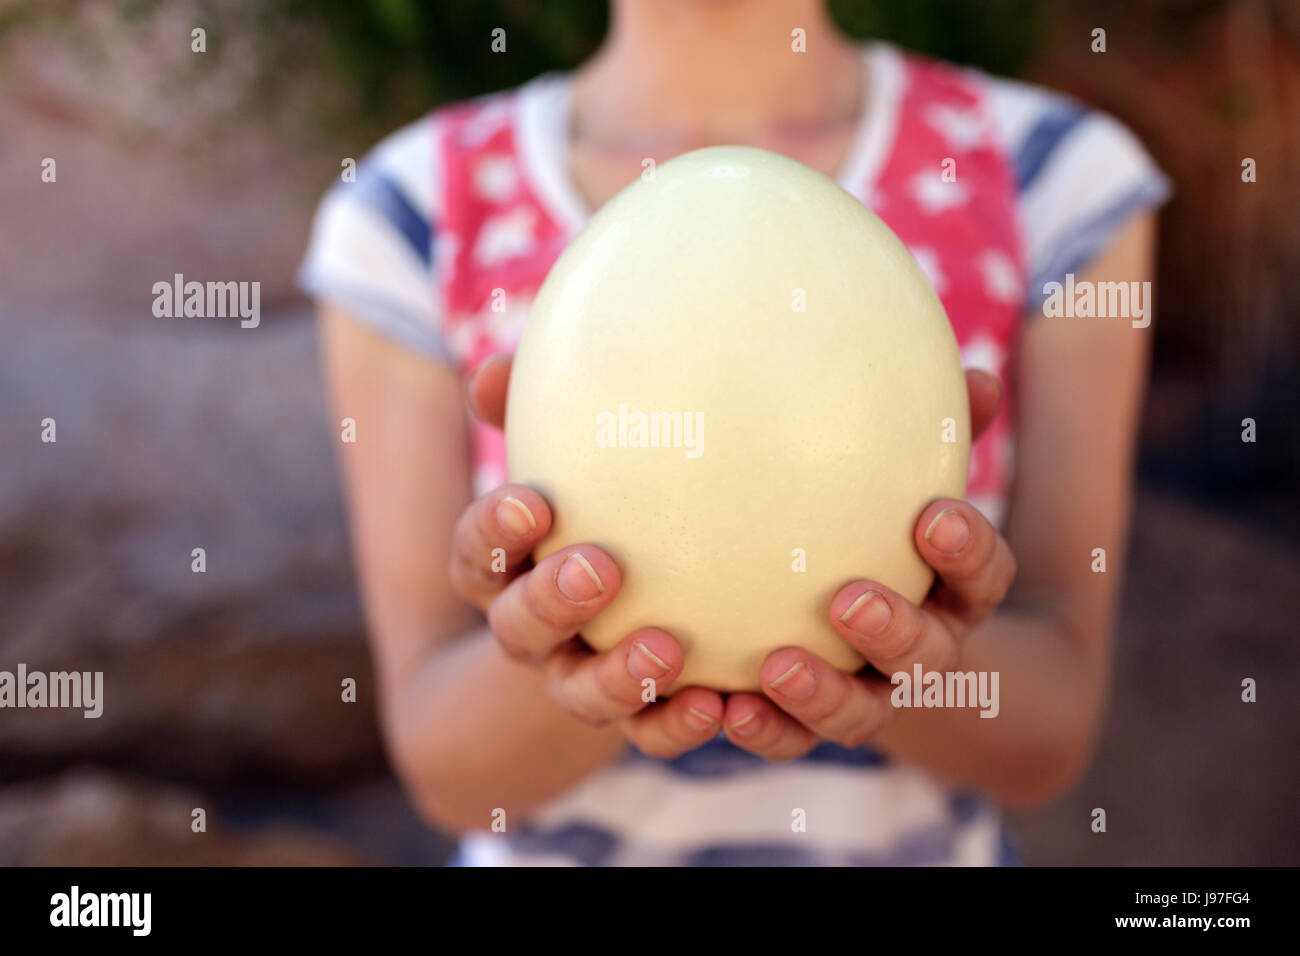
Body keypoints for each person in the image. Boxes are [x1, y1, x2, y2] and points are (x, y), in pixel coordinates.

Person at [299, 0, 1170, 865]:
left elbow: (1050, 738)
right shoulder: (411, 213)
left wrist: (901, 663)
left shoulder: (1051, 180)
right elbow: (450, 777)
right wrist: (557, 660)